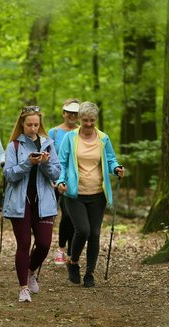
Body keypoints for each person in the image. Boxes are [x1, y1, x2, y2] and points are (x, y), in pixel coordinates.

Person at [56, 101, 125, 288]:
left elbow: (110, 159)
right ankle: (73, 261)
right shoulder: (70, 138)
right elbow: (61, 163)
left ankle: (89, 273)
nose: (88, 124)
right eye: (85, 120)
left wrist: (116, 168)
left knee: (94, 234)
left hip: (97, 193)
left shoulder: (103, 138)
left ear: (96, 120)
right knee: (83, 230)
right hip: (74, 193)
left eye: (92, 121)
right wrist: (61, 181)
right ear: (79, 119)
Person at [3, 106, 60, 302]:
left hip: (43, 201)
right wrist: (28, 163)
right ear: (22, 124)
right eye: (29, 125)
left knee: (44, 244)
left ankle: (31, 271)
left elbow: (57, 173)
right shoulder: (14, 146)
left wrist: (44, 163)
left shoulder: (48, 145)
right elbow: (9, 175)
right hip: (20, 201)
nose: (33, 128)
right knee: (24, 244)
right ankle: (23, 288)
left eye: (36, 124)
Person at [48, 99, 80, 265]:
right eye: (69, 112)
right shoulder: (53, 132)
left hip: (74, 181)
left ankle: (65, 250)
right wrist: (53, 178)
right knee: (53, 214)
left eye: (75, 113)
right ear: (64, 113)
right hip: (55, 180)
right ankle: (56, 247)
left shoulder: (82, 132)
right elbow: (48, 156)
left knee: (70, 215)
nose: (72, 116)